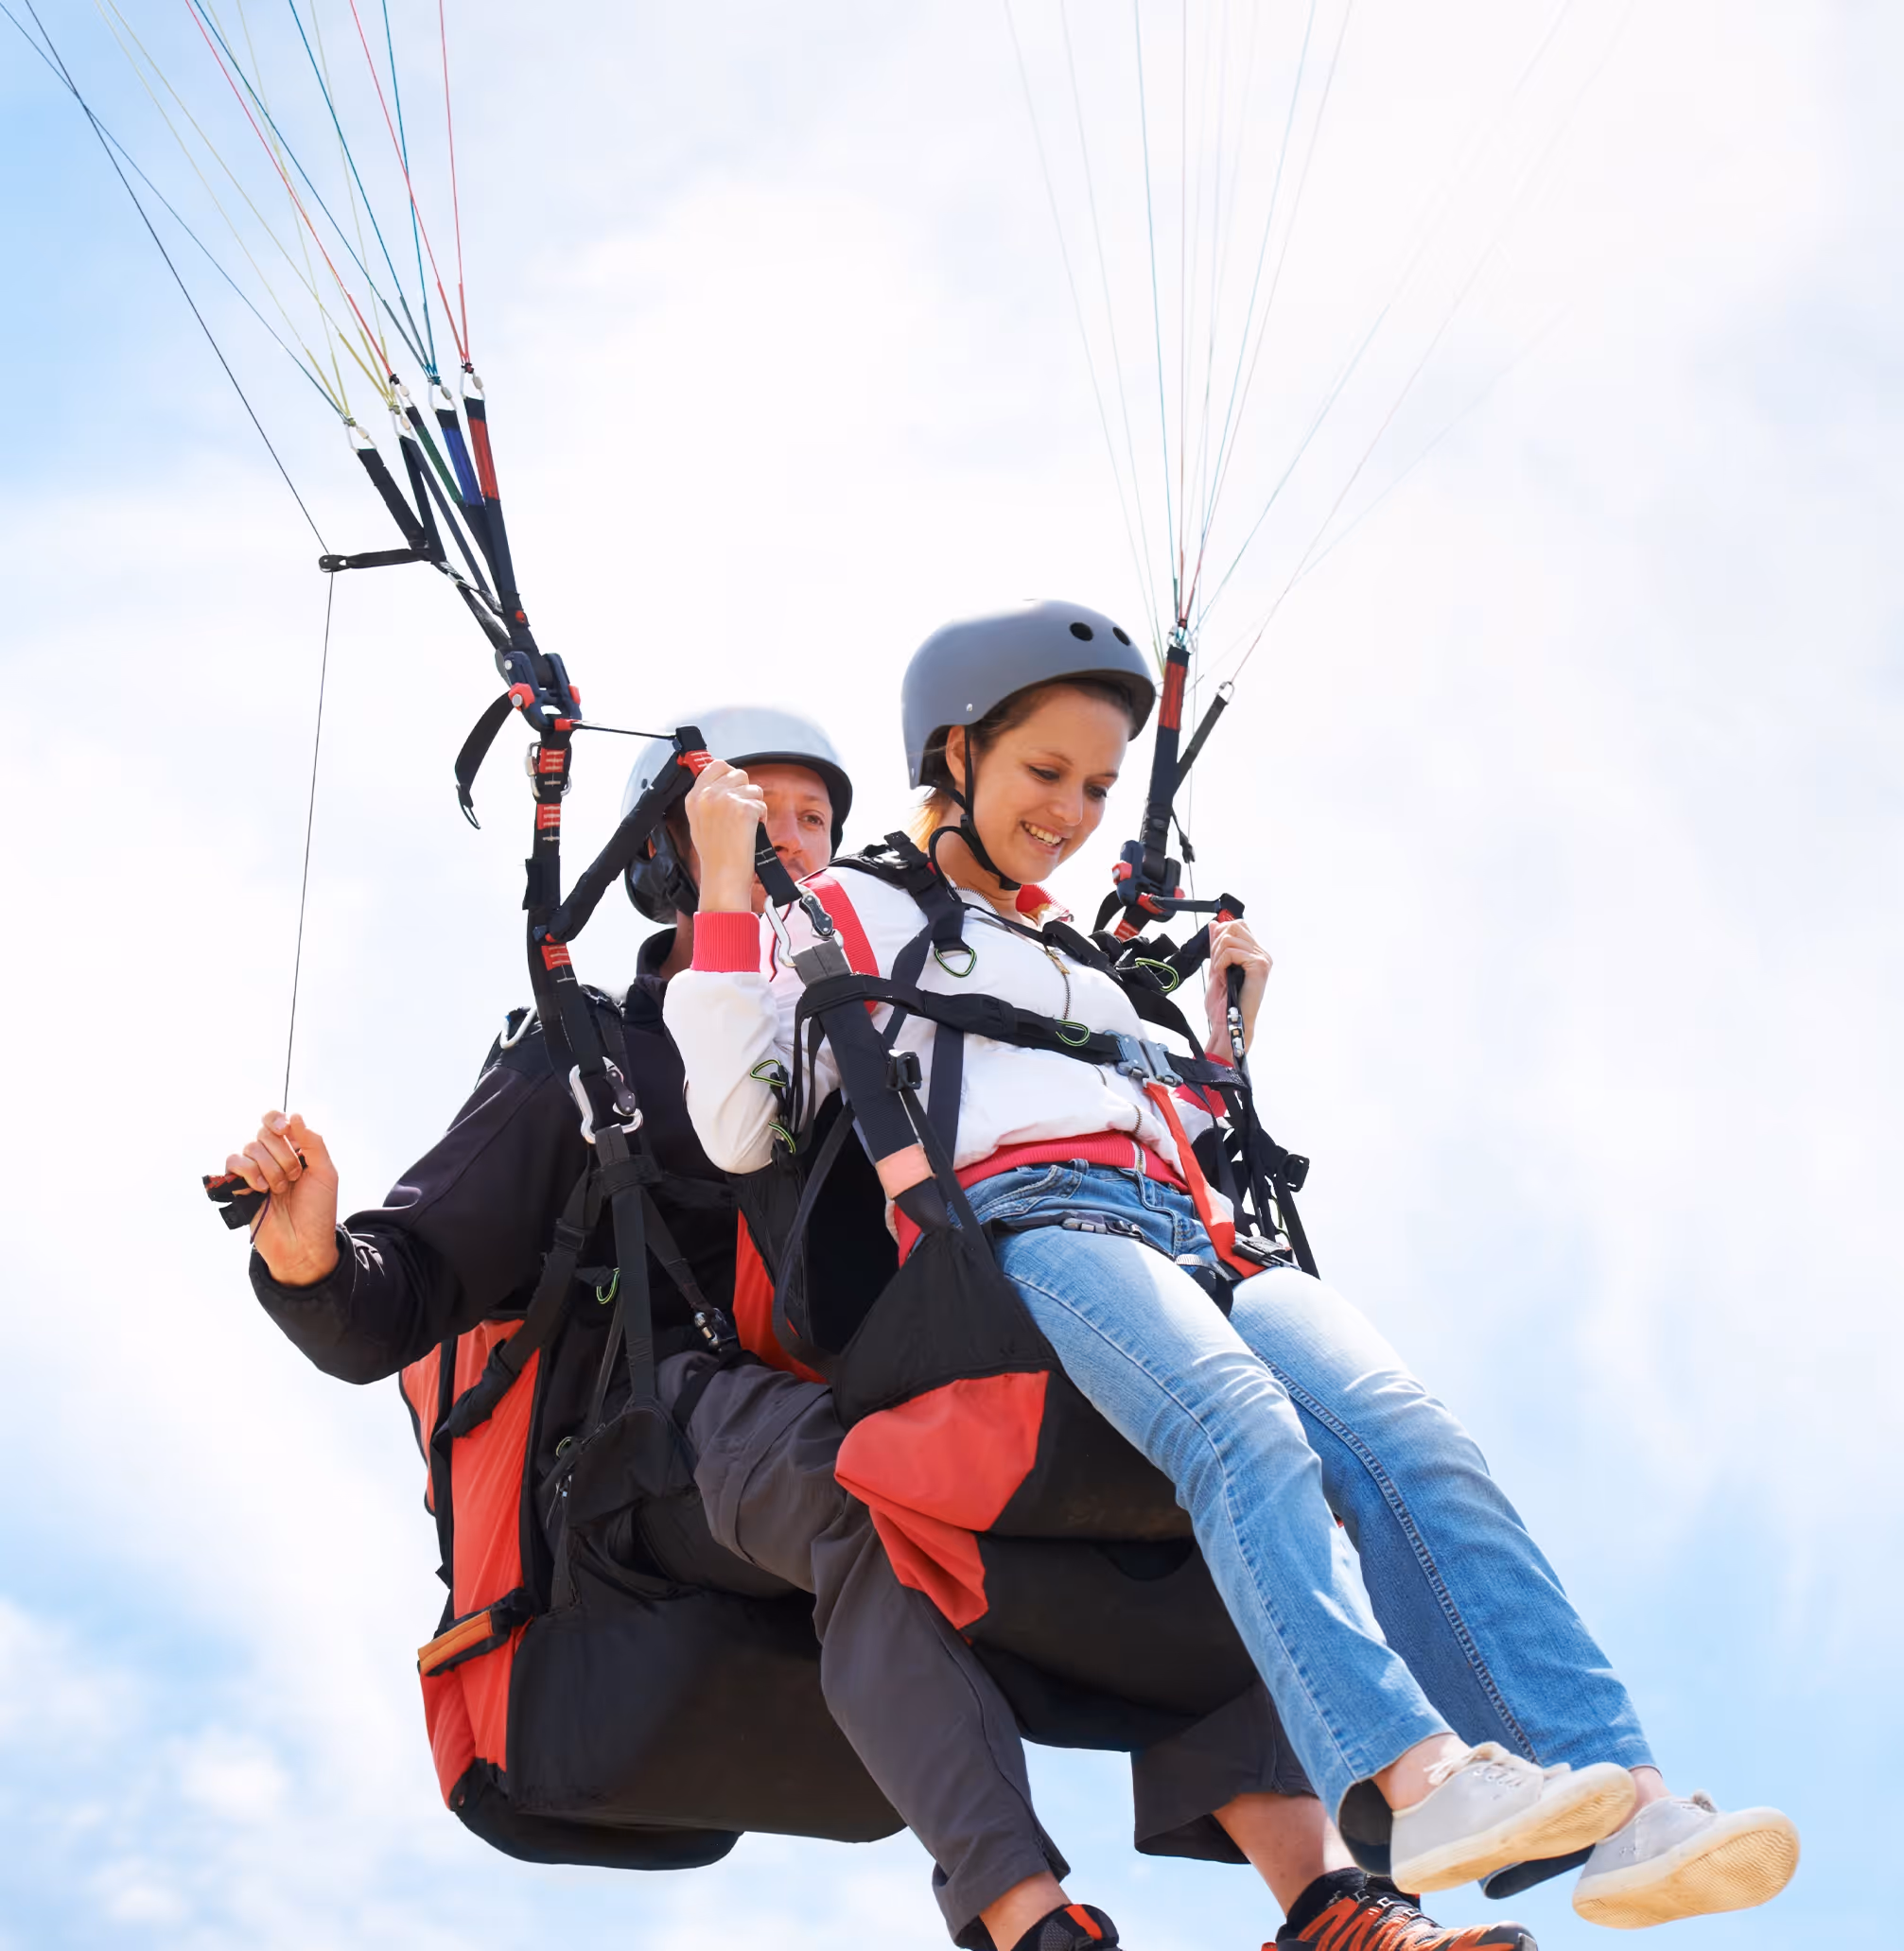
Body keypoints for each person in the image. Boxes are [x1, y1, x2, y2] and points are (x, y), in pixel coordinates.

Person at [222, 703, 1523, 1951]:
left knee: (1181, 1459)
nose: (792, 840)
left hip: (889, 1373)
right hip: (668, 1432)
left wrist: (1197, 1052)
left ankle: (1331, 1906)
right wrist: (307, 1252)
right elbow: (389, 1302)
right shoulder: (599, 1056)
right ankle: (1026, 1914)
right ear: (669, 848)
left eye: (815, 820)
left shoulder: (873, 1022)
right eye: (752, 811)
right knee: (848, 1481)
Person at [662, 602, 1800, 1931]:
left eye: (1094, 785)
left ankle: (1623, 1803)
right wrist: (732, 886)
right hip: (1039, 1230)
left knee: (1415, 1448)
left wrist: (1219, 1048)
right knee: (1246, 1434)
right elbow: (741, 1123)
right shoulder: (853, 905)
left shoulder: (1076, 955)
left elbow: (1188, 1136)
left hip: (1197, 1232)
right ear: (957, 753)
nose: (1075, 811)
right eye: (1046, 775)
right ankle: (1411, 1774)